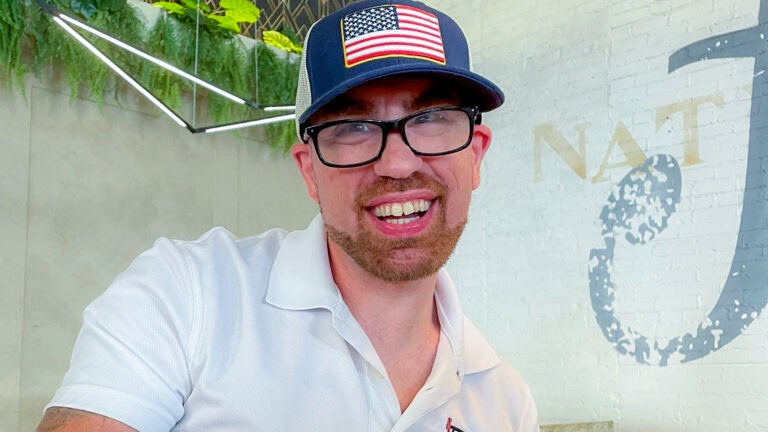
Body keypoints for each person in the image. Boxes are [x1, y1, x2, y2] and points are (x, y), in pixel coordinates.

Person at [36, 0, 540, 431]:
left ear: (475, 155)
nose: (397, 163)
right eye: (353, 127)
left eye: (430, 119)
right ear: (308, 171)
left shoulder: (505, 403)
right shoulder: (186, 294)